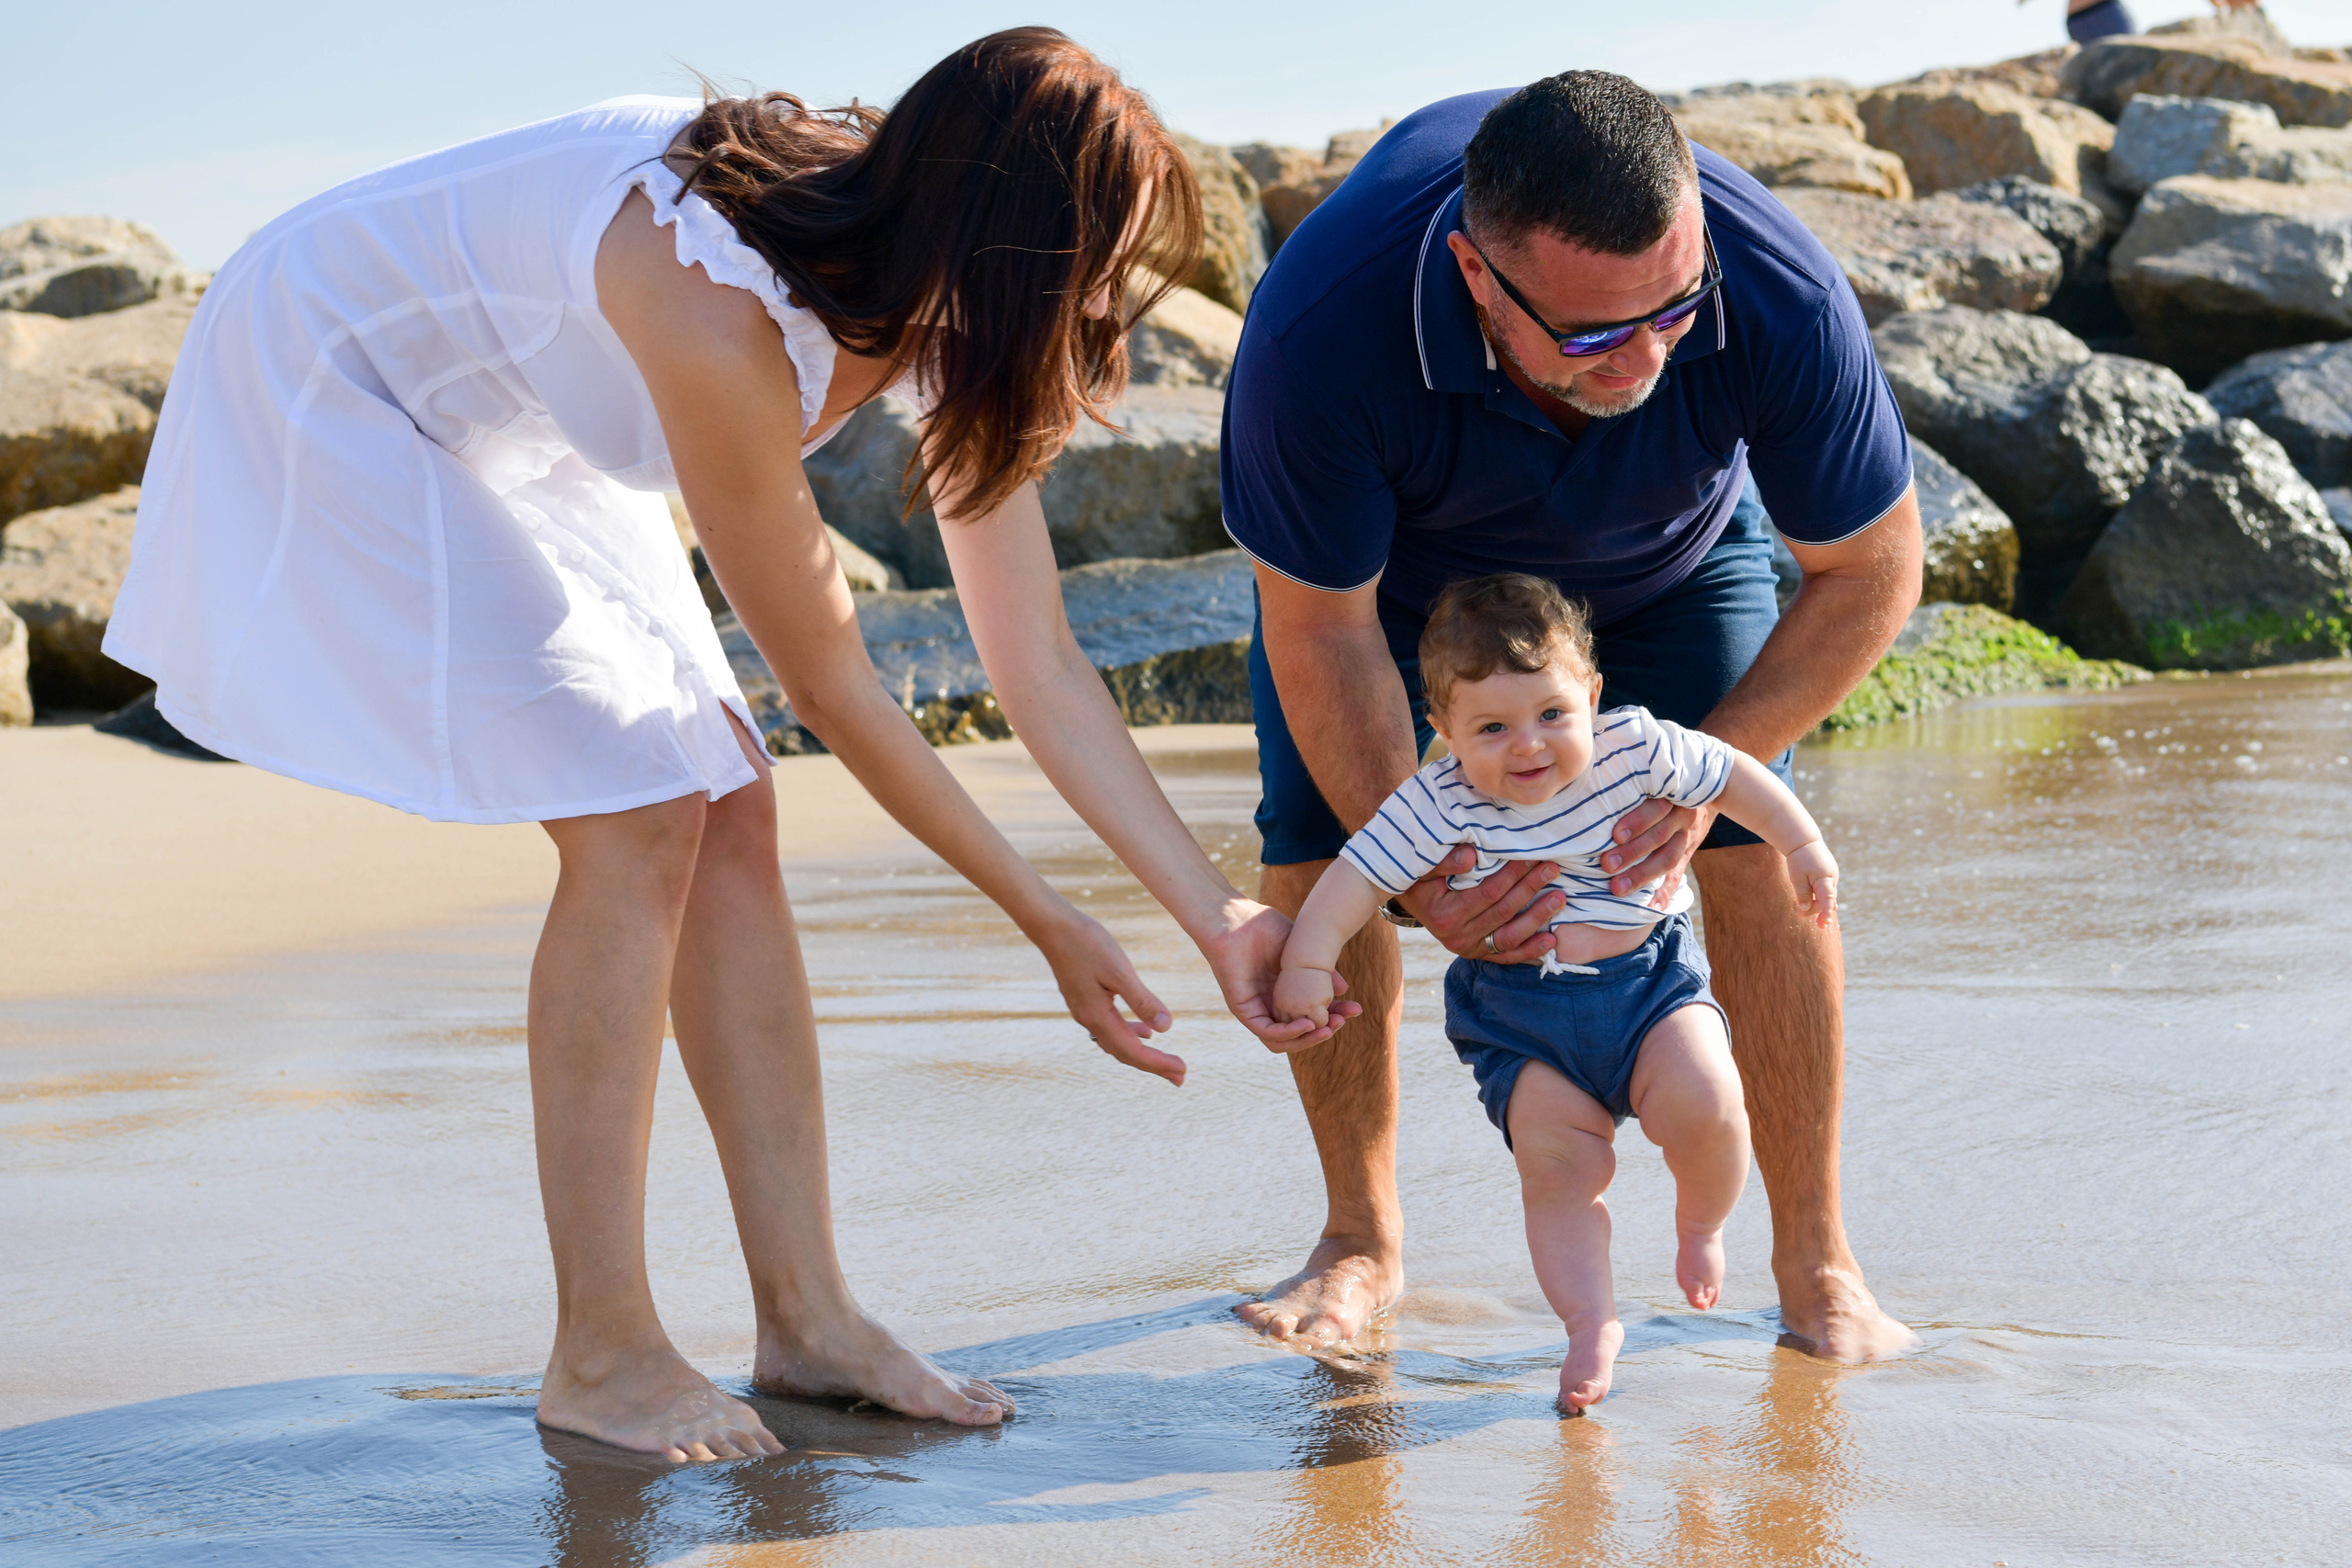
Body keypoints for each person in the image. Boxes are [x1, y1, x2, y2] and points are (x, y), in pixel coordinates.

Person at [104, 28, 1347, 1463]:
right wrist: (1047, 917)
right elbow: (837, 685)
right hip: (337, 370)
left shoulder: (944, 302)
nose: (1107, 309)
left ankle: (808, 1316)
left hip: (532, 407)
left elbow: (1039, 658)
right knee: (640, 808)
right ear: (1004, 242)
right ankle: (603, 1351)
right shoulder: (717, 308)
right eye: (1094, 264)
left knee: (727, 797)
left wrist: (1212, 912)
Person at [1220, 71, 1920, 1361]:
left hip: (1669, 561)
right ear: (1480, 278)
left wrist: (1710, 775)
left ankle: (1817, 1256)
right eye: (1598, 336)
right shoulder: (1325, 327)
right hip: (1394, 604)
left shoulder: (1774, 286)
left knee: (1742, 836)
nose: (1651, 360)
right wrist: (1427, 864)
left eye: (1676, 309)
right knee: (1330, 852)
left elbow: (1875, 570)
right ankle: (1359, 1236)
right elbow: (1319, 626)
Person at [1272, 574, 1840, 1412]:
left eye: (1550, 715)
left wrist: (1803, 842)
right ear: (1444, 731)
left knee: (1713, 1105)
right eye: (1492, 728)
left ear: (1593, 694)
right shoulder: (1436, 800)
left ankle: (1701, 1223)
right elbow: (1356, 875)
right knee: (1555, 1168)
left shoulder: (1636, 747)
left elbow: (1732, 775)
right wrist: (1308, 962)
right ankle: (1589, 1322)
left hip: (1651, 989)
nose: (1528, 745)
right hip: (1522, 1020)